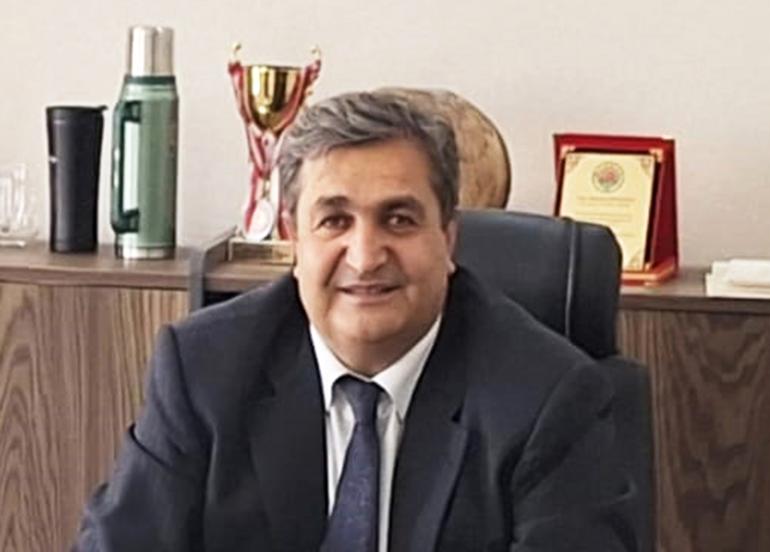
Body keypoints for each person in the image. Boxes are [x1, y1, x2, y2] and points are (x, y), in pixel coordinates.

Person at [75, 91, 636, 551]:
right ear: (294, 240)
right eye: (334, 220)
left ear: (448, 239)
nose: (365, 257)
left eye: (399, 219)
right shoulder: (203, 371)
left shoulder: (546, 397)